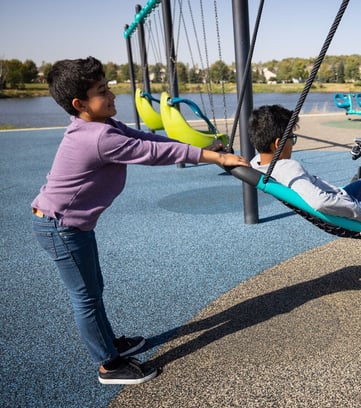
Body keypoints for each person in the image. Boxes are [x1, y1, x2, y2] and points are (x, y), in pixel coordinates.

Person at [31, 57, 249, 385]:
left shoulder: (101, 126)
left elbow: (153, 141)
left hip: (66, 224)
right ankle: (108, 365)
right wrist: (216, 157)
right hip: (60, 226)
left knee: (94, 290)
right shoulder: (99, 138)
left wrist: (201, 148)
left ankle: (109, 345)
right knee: (86, 297)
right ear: (80, 104)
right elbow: (154, 154)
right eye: (102, 91)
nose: (112, 95)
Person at [247, 105, 361, 237]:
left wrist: (224, 156)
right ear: (278, 144)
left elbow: (245, 163)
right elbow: (320, 202)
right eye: (292, 139)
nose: (293, 144)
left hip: (344, 199)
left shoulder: (257, 164)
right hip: (350, 215)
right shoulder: (288, 167)